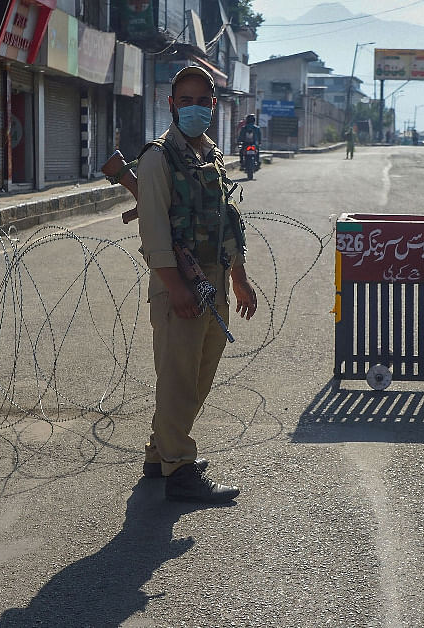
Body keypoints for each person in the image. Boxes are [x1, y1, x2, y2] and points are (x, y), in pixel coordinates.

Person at [135, 65, 258, 502]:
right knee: (179, 377)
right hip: (180, 284)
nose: (192, 108)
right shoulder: (157, 158)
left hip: (214, 281)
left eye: (200, 101)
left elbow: (228, 222)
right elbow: (153, 233)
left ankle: (160, 452)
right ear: (171, 105)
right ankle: (180, 468)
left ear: (213, 105)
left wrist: (239, 276)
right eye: (183, 101)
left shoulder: (211, 156)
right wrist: (177, 286)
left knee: (198, 372)